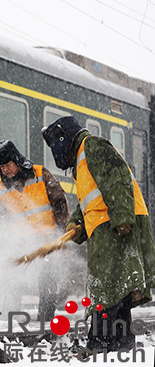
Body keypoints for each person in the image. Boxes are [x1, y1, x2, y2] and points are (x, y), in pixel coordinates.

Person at [42, 115, 155, 352]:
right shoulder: (81, 162)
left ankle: (98, 343)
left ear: (64, 138)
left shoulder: (92, 147)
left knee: (103, 287)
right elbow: (88, 203)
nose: (55, 152)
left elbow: (118, 179)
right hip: (106, 224)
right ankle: (121, 343)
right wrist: (75, 226)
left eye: (55, 145)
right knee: (119, 288)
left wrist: (123, 217)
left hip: (114, 224)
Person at [0, 140, 70, 320]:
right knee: (14, 282)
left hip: (46, 239)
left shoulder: (41, 174)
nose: (5, 170)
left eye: (8, 165)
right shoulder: (0, 188)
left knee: (47, 283)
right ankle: (11, 321)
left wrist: (62, 232)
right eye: (1, 167)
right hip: (19, 242)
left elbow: (59, 202)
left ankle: (46, 323)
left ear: (17, 160)